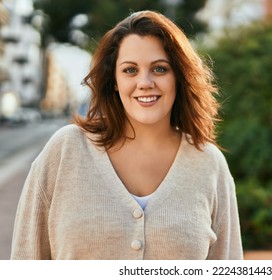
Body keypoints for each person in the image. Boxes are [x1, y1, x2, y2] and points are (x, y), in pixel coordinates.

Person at [11, 10, 243, 260]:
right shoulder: (65, 151)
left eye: (160, 69)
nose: (145, 82)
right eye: (130, 70)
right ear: (114, 81)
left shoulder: (209, 164)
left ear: (179, 77)